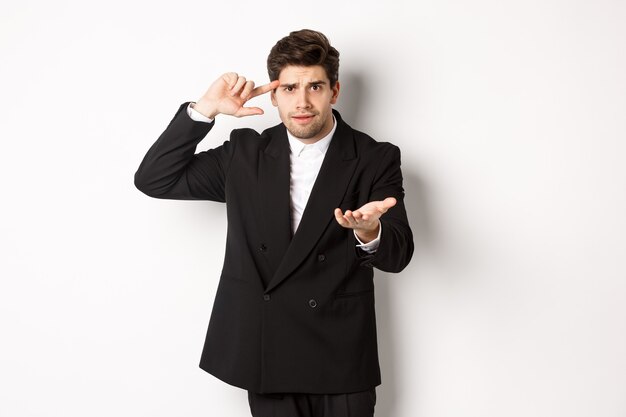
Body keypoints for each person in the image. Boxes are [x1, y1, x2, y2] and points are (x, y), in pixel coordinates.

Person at [135, 29, 414, 417]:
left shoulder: (374, 157)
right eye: (289, 88)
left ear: (334, 91)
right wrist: (205, 111)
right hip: (269, 350)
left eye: (315, 86)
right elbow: (155, 179)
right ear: (273, 94)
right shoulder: (244, 155)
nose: (302, 101)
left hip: (341, 355)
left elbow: (399, 254)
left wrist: (371, 233)